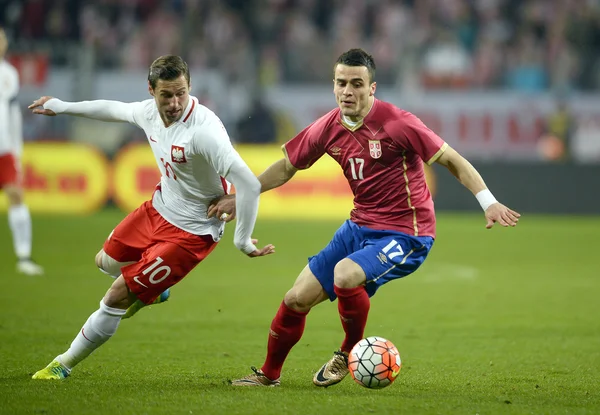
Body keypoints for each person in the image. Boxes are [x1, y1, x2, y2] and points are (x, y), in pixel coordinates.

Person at [207, 48, 520, 387]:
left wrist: (487, 201)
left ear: (372, 88)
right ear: (333, 86)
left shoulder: (398, 123)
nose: (348, 91)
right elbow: (285, 167)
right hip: (358, 227)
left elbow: (453, 160)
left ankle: (348, 351)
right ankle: (268, 376)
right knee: (295, 298)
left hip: (407, 233)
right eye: (342, 83)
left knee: (345, 274)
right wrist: (242, 197)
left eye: (357, 84)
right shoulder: (327, 127)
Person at [28, 55, 275, 380]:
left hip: (192, 233)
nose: (174, 103)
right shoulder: (148, 113)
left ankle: (62, 364)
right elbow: (112, 109)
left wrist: (242, 239)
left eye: (181, 93)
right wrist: (61, 105)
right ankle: (155, 291)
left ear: (189, 88)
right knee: (104, 262)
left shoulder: (204, 131)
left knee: (117, 295)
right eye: (166, 95)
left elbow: (250, 184)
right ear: (151, 90)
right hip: (158, 209)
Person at [0, 27, 44, 276]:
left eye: (2, 40)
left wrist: (17, 147)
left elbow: (13, 113)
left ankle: (24, 256)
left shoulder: (9, 74)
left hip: (4, 150)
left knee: (16, 195)